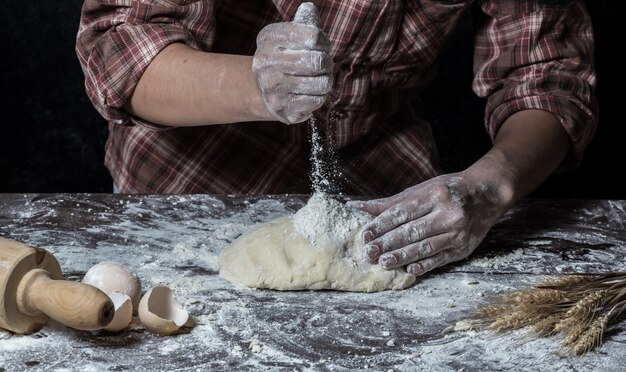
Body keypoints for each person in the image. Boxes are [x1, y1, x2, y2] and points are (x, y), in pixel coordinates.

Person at [75, 0, 597, 277]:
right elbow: (121, 51)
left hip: (384, 186)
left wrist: (492, 185)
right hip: (191, 182)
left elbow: (549, 73)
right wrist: (257, 84)